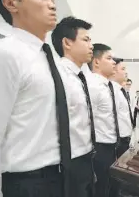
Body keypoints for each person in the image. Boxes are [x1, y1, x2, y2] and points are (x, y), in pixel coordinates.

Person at [0, 0, 63, 197]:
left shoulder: (47, 57)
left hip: (58, 176)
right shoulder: (5, 54)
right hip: (25, 182)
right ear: (10, 3)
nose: (52, 4)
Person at [51, 16, 95, 197]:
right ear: (67, 43)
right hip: (70, 161)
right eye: (85, 40)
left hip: (86, 156)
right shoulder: (57, 75)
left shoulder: (78, 76)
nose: (91, 45)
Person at [87, 43, 119, 197]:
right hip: (99, 148)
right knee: (101, 189)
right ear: (97, 62)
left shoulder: (106, 86)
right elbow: (87, 120)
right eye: (109, 58)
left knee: (108, 186)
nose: (114, 62)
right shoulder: (93, 86)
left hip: (110, 145)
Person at [109, 58, 133, 159]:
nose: (126, 72)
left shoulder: (120, 90)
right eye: (123, 69)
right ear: (114, 71)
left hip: (125, 137)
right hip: (118, 139)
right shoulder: (111, 90)